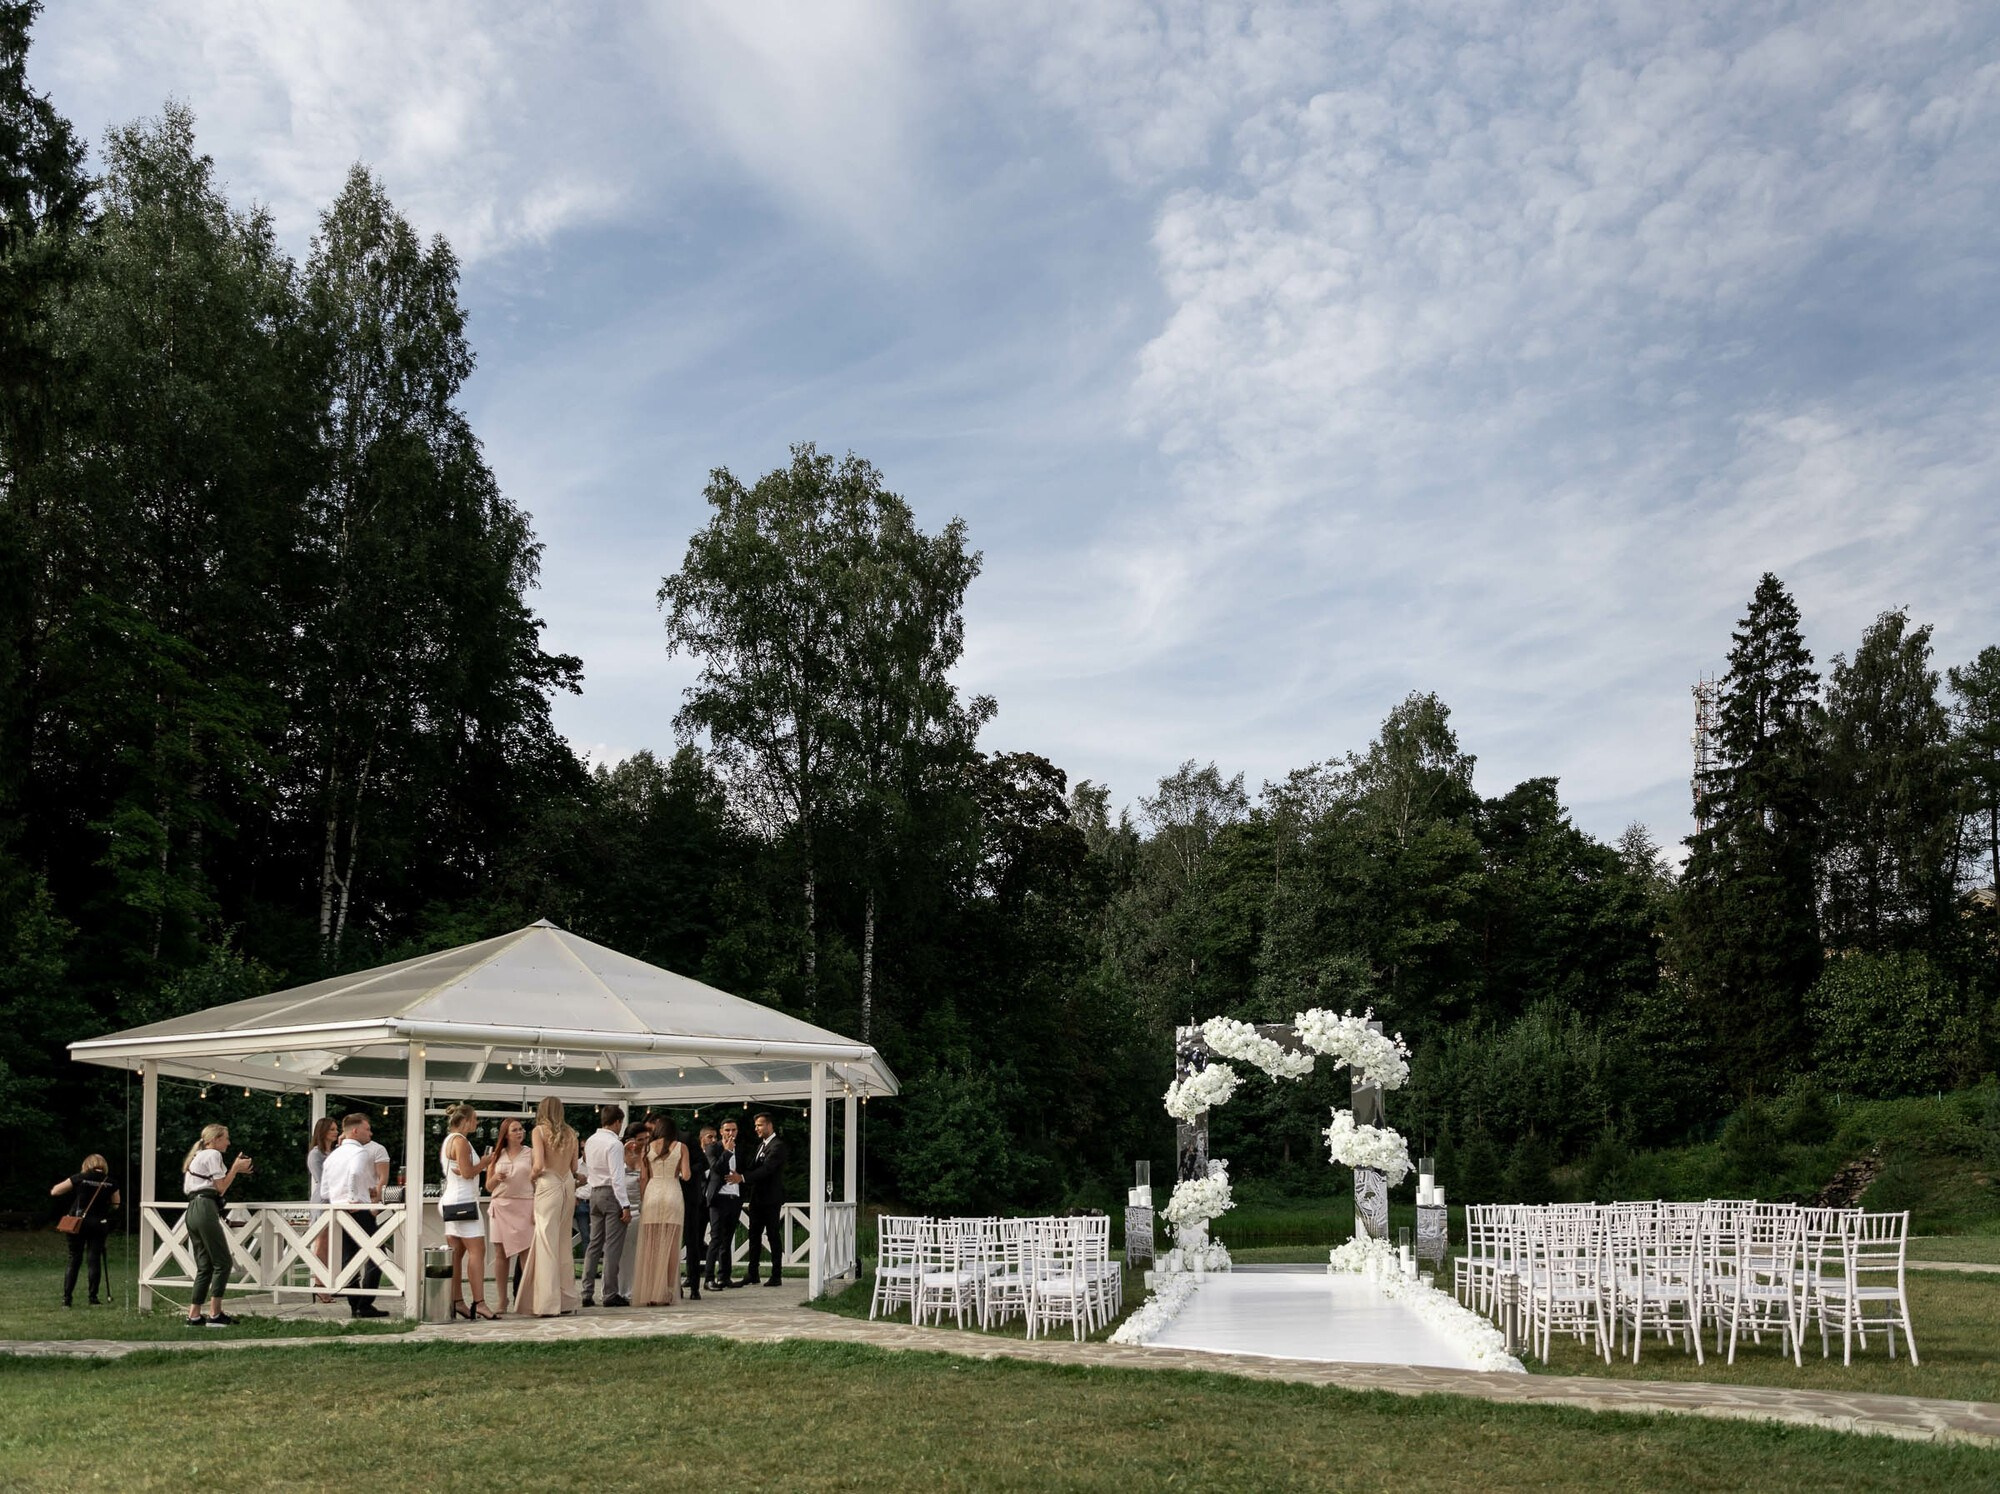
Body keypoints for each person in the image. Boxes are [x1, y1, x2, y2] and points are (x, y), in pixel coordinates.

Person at [514, 1096, 582, 1317]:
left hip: (548, 1184)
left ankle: (547, 1303)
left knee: (545, 1243)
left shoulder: (539, 1132)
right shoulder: (571, 1133)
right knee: (564, 1242)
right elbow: (574, 1166)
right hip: (567, 1185)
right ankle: (566, 1300)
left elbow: (539, 1165)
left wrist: (531, 1179)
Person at [181, 1124, 254, 1327]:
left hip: (193, 1208)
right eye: (226, 1138)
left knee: (204, 1266)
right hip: (205, 1207)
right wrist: (235, 1169)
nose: (229, 1143)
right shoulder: (213, 1154)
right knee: (223, 1263)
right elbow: (220, 1188)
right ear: (215, 1139)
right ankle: (215, 1313)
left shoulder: (198, 1156)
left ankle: (194, 1315)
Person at [320, 1113, 391, 1318]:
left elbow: (325, 1189)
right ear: (355, 1131)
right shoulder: (360, 1153)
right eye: (367, 1129)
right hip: (357, 1210)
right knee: (378, 1254)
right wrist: (353, 1198)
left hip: (338, 1209)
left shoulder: (333, 1155)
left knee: (348, 1257)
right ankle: (365, 1303)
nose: (371, 1133)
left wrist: (343, 1198)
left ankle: (355, 1304)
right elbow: (354, 1174)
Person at [439, 1104, 497, 1320]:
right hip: (464, 1201)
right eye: (475, 1119)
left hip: (450, 1200)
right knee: (477, 1251)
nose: (477, 1123)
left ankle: (456, 1300)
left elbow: (459, 1170)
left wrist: (469, 1169)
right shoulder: (461, 1141)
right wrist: (484, 1162)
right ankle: (479, 1302)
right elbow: (466, 1172)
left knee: (457, 1253)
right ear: (465, 1120)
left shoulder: (448, 1140)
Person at [632, 1116, 690, 1306]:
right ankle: (668, 1292)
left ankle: (649, 1291)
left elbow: (643, 1178)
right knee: (672, 1247)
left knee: (651, 1247)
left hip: (652, 1194)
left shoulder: (647, 1148)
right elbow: (687, 1175)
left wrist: (643, 1200)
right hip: (672, 1193)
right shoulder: (681, 1147)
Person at [579, 1104, 632, 1308]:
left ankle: (586, 1291)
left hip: (594, 1193)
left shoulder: (591, 1141)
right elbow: (618, 1177)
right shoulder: (614, 1144)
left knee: (594, 1244)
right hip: (611, 1194)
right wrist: (625, 1205)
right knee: (612, 1247)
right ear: (617, 1121)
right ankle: (610, 1293)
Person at [51, 1154, 119, 1306]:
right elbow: (116, 1204)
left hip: (78, 1223)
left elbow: (55, 1191)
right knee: (94, 1259)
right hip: (99, 1224)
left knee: (74, 1258)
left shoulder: (80, 1177)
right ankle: (93, 1298)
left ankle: (67, 1298)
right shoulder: (111, 1182)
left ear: (87, 1164)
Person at [484, 1116, 533, 1315]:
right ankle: (502, 1299)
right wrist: (496, 1177)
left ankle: (526, 1298)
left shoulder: (531, 1153)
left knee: (526, 1253)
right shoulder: (496, 1155)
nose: (519, 1132)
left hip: (524, 1204)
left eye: (521, 1129)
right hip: (501, 1205)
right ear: (506, 1134)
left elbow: (538, 1179)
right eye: (515, 1130)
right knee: (500, 1254)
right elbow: (488, 1186)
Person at [741, 1112, 789, 1287]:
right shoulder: (760, 1146)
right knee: (753, 1236)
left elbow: (767, 1170)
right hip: (757, 1199)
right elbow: (752, 1166)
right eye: (755, 1126)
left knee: (773, 1235)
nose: (756, 1129)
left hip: (771, 1199)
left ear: (769, 1125)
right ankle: (752, 1273)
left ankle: (776, 1274)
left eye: (759, 1125)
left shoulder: (778, 1146)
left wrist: (744, 1178)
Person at [705, 1118, 744, 1288]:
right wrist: (727, 1152)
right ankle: (708, 1278)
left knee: (728, 1240)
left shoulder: (741, 1149)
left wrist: (740, 1178)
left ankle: (724, 1276)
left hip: (734, 1198)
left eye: (734, 1130)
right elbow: (716, 1168)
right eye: (727, 1130)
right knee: (716, 1239)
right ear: (721, 1131)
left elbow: (744, 1170)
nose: (731, 1133)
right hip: (718, 1197)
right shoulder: (713, 1147)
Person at [305, 1116, 339, 1302]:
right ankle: (319, 1283)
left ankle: (329, 1280)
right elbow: (321, 1180)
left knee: (331, 1243)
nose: (336, 1132)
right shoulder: (316, 1154)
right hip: (324, 1199)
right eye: (332, 1129)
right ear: (324, 1131)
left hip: (335, 1200)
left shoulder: (334, 1151)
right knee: (322, 1242)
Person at [681, 1123, 715, 1300]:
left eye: (714, 1137)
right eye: (710, 1137)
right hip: (679, 1197)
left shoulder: (688, 1145)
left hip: (699, 1200)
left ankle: (700, 1280)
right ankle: (683, 1279)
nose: (713, 1140)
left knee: (696, 1240)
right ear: (702, 1138)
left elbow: (703, 1168)